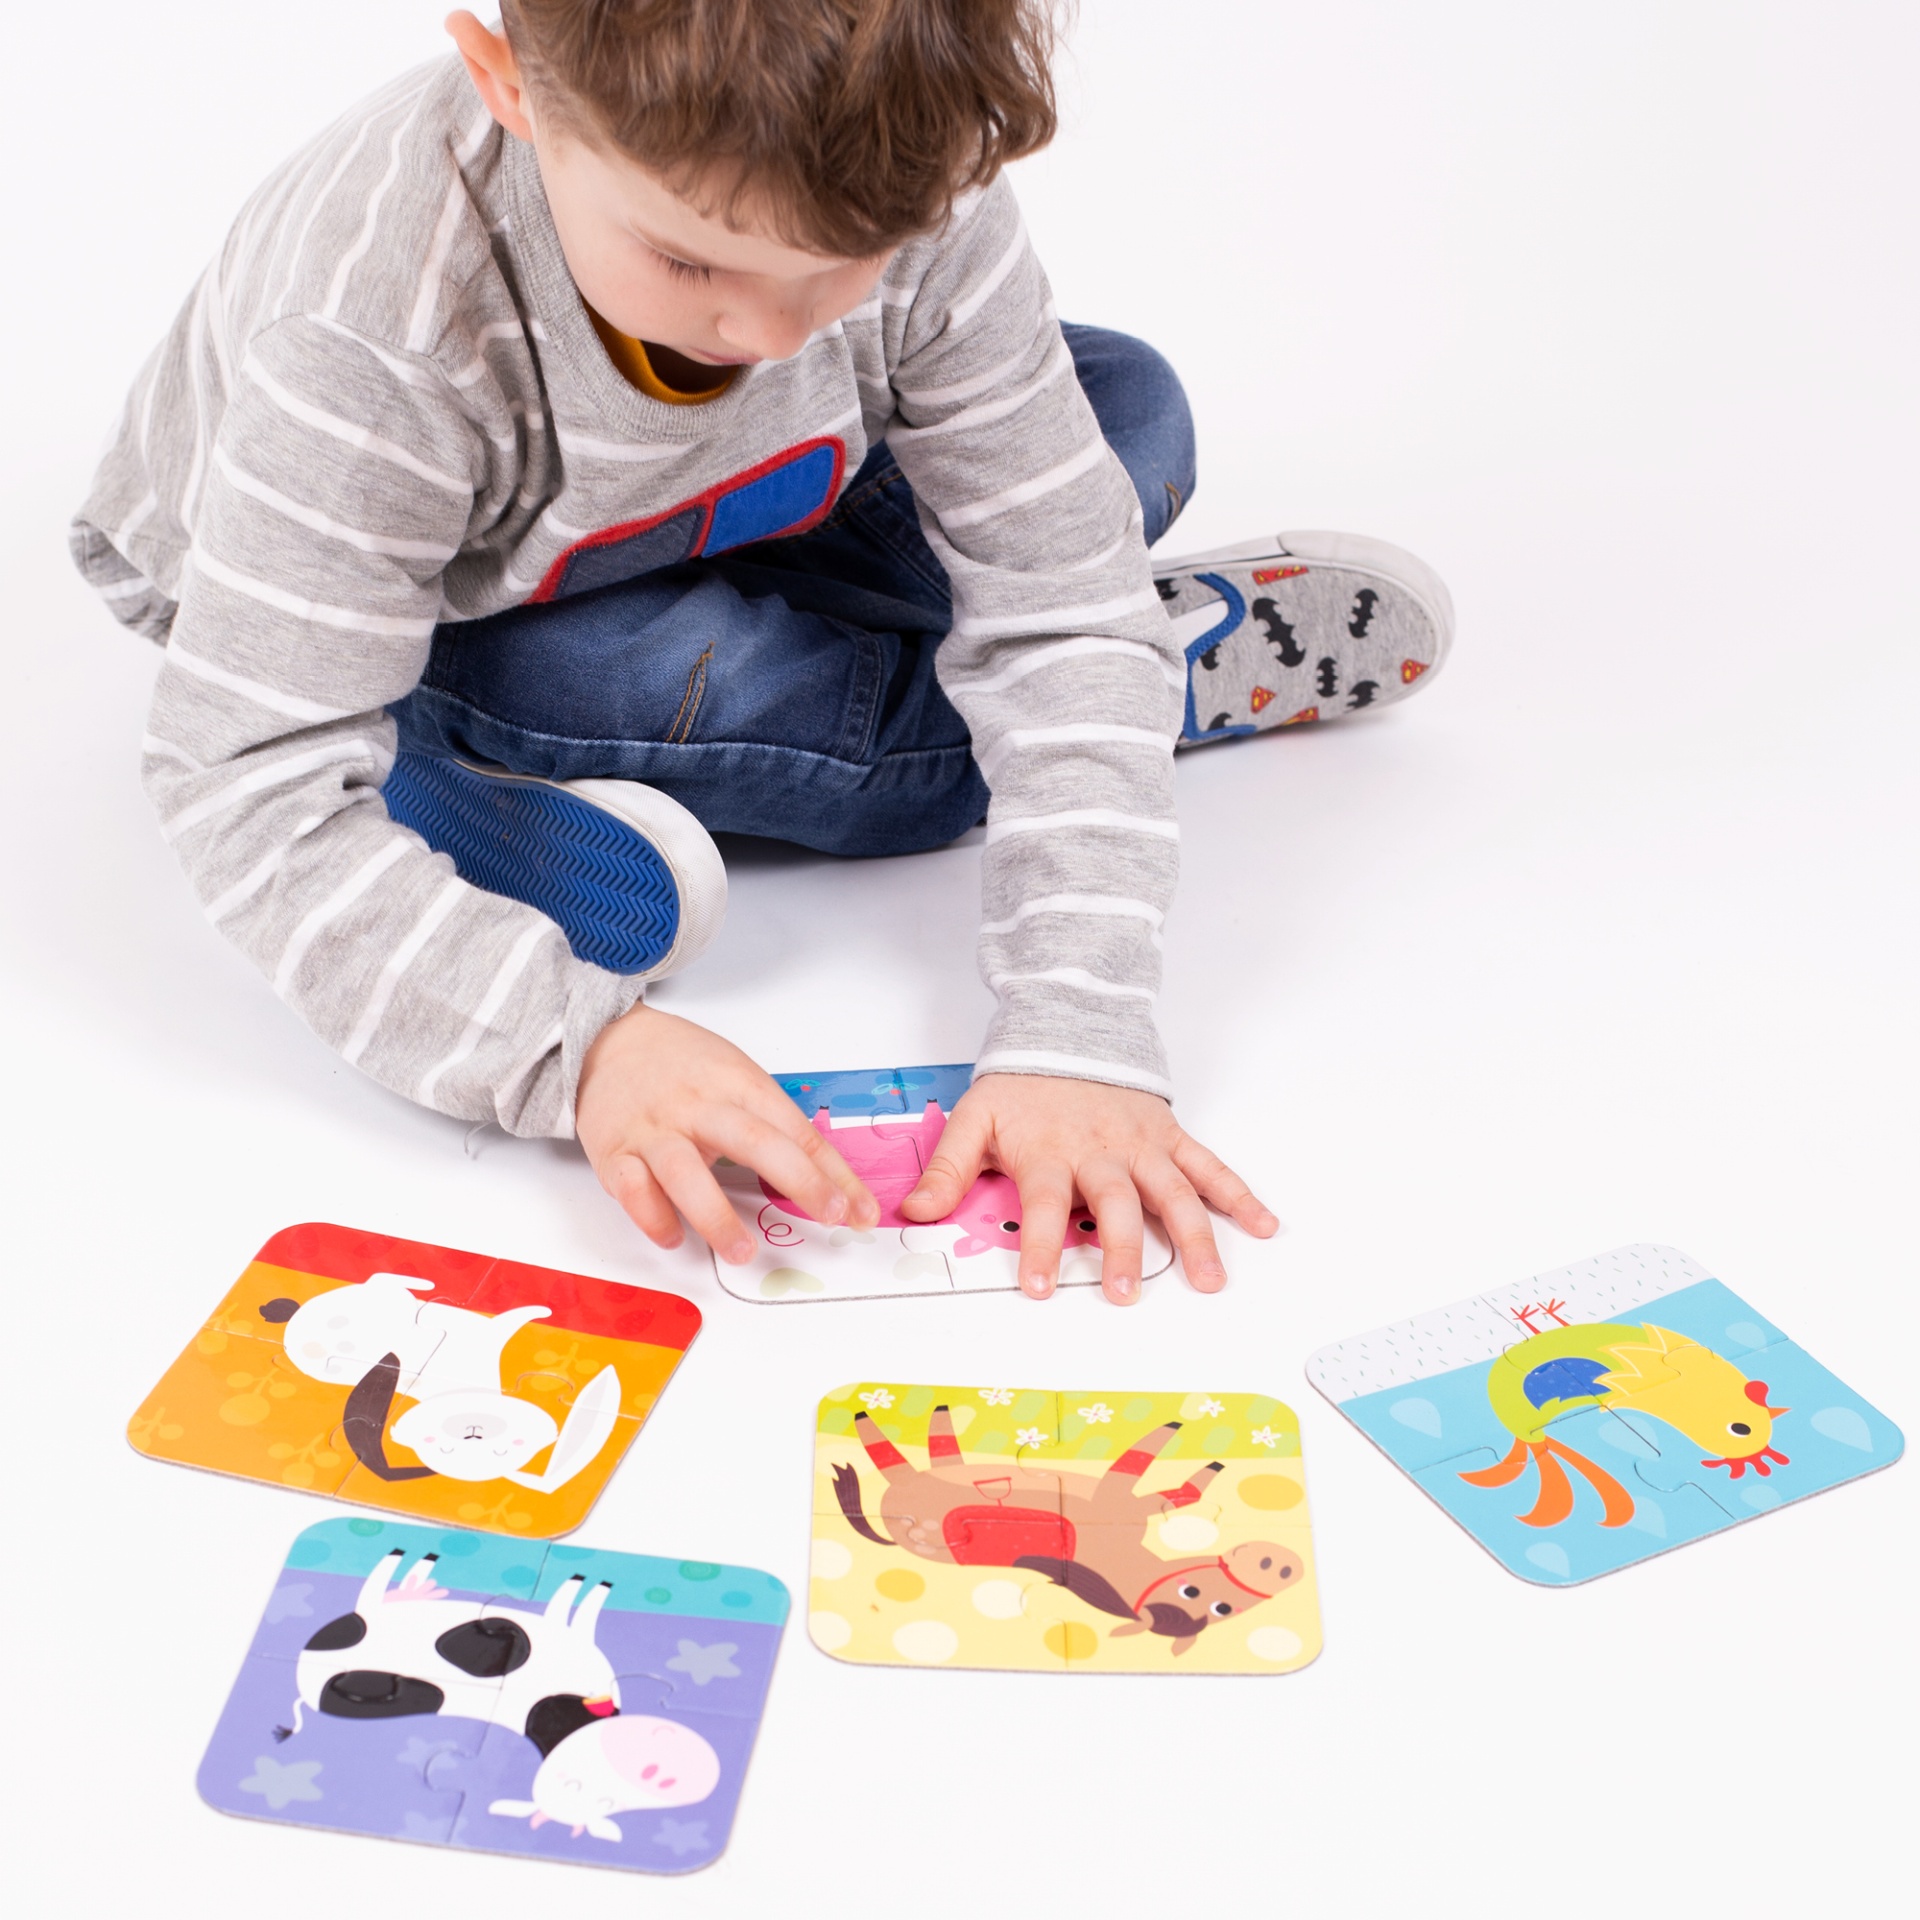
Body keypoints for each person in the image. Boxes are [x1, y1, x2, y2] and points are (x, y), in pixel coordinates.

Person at [71, 0, 1451, 1305]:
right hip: (450, 595)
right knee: (677, 694)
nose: (776, 331)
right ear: (510, 90)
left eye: (842, 267)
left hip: (727, 505)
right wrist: (581, 1049)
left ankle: (1104, 686)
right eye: (691, 263)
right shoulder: (381, 340)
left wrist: (1077, 1029)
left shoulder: (902, 164)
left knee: (1126, 406)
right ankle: (430, 754)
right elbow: (242, 782)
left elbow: (1059, 599)